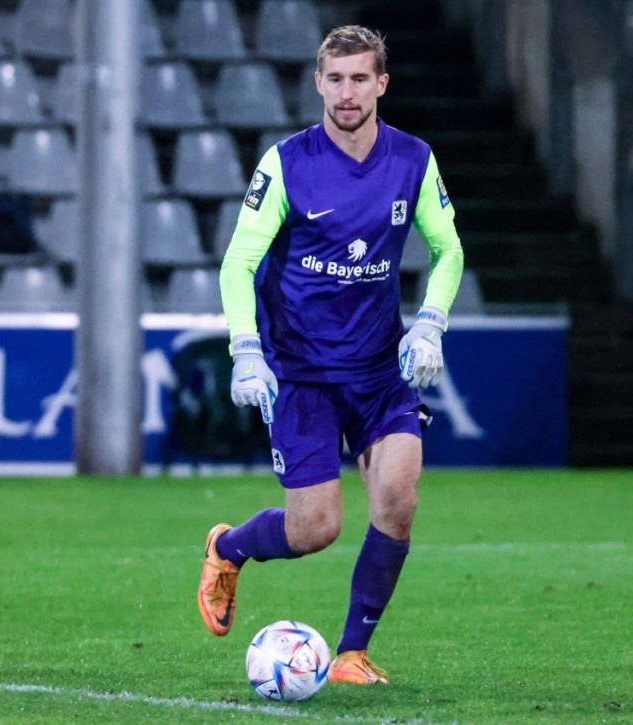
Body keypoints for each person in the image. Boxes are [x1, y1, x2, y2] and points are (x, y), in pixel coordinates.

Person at [198, 24, 464, 685]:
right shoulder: (287, 162)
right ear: (319, 83)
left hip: (378, 372)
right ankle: (228, 547)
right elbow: (239, 261)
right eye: (335, 79)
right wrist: (245, 351)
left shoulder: (413, 159)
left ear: (381, 83)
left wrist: (429, 323)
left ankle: (351, 651)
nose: (348, 92)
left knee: (399, 494)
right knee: (315, 526)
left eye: (360, 78)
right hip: (304, 374)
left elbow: (449, 247)